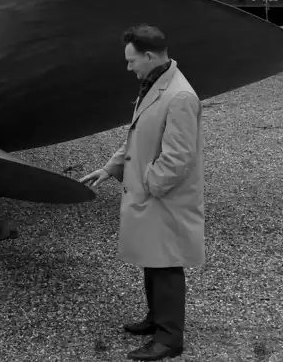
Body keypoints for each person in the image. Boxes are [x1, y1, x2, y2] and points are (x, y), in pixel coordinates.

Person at [80, 25, 204, 361]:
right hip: (153, 194)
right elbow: (138, 137)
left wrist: (150, 185)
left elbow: (179, 157)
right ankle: (156, 319)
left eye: (131, 60)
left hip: (164, 197)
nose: (128, 67)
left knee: (166, 265)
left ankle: (169, 338)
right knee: (153, 259)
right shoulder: (154, 86)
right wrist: (110, 168)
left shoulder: (179, 96)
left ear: (149, 56)